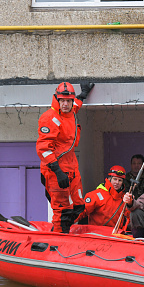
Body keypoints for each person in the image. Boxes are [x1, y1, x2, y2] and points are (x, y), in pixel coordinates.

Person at [36, 82, 93, 233]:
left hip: (71, 167)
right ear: (57, 99)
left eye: (69, 101)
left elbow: (76, 106)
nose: (66, 104)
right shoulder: (49, 118)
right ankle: (58, 237)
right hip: (55, 170)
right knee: (62, 211)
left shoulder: (71, 110)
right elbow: (43, 149)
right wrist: (57, 170)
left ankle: (65, 230)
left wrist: (83, 94)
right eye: (62, 101)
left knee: (79, 206)